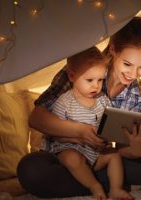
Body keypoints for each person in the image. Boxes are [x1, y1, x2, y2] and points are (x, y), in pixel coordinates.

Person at [17, 17, 141, 198]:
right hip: (65, 157)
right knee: (31, 170)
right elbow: (37, 118)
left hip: (103, 159)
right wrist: (80, 131)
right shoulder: (83, 67)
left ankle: (96, 183)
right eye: (127, 64)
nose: (133, 74)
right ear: (113, 49)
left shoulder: (137, 94)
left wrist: (135, 151)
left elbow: (118, 148)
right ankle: (106, 183)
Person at [49, 46, 133, 199]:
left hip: (95, 153)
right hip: (71, 151)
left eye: (100, 80)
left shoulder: (102, 100)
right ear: (72, 76)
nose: (96, 85)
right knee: (72, 158)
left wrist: (110, 141)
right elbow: (56, 135)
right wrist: (77, 138)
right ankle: (95, 186)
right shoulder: (64, 102)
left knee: (114, 154)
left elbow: (109, 128)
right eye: (89, 80)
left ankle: (116, 189)